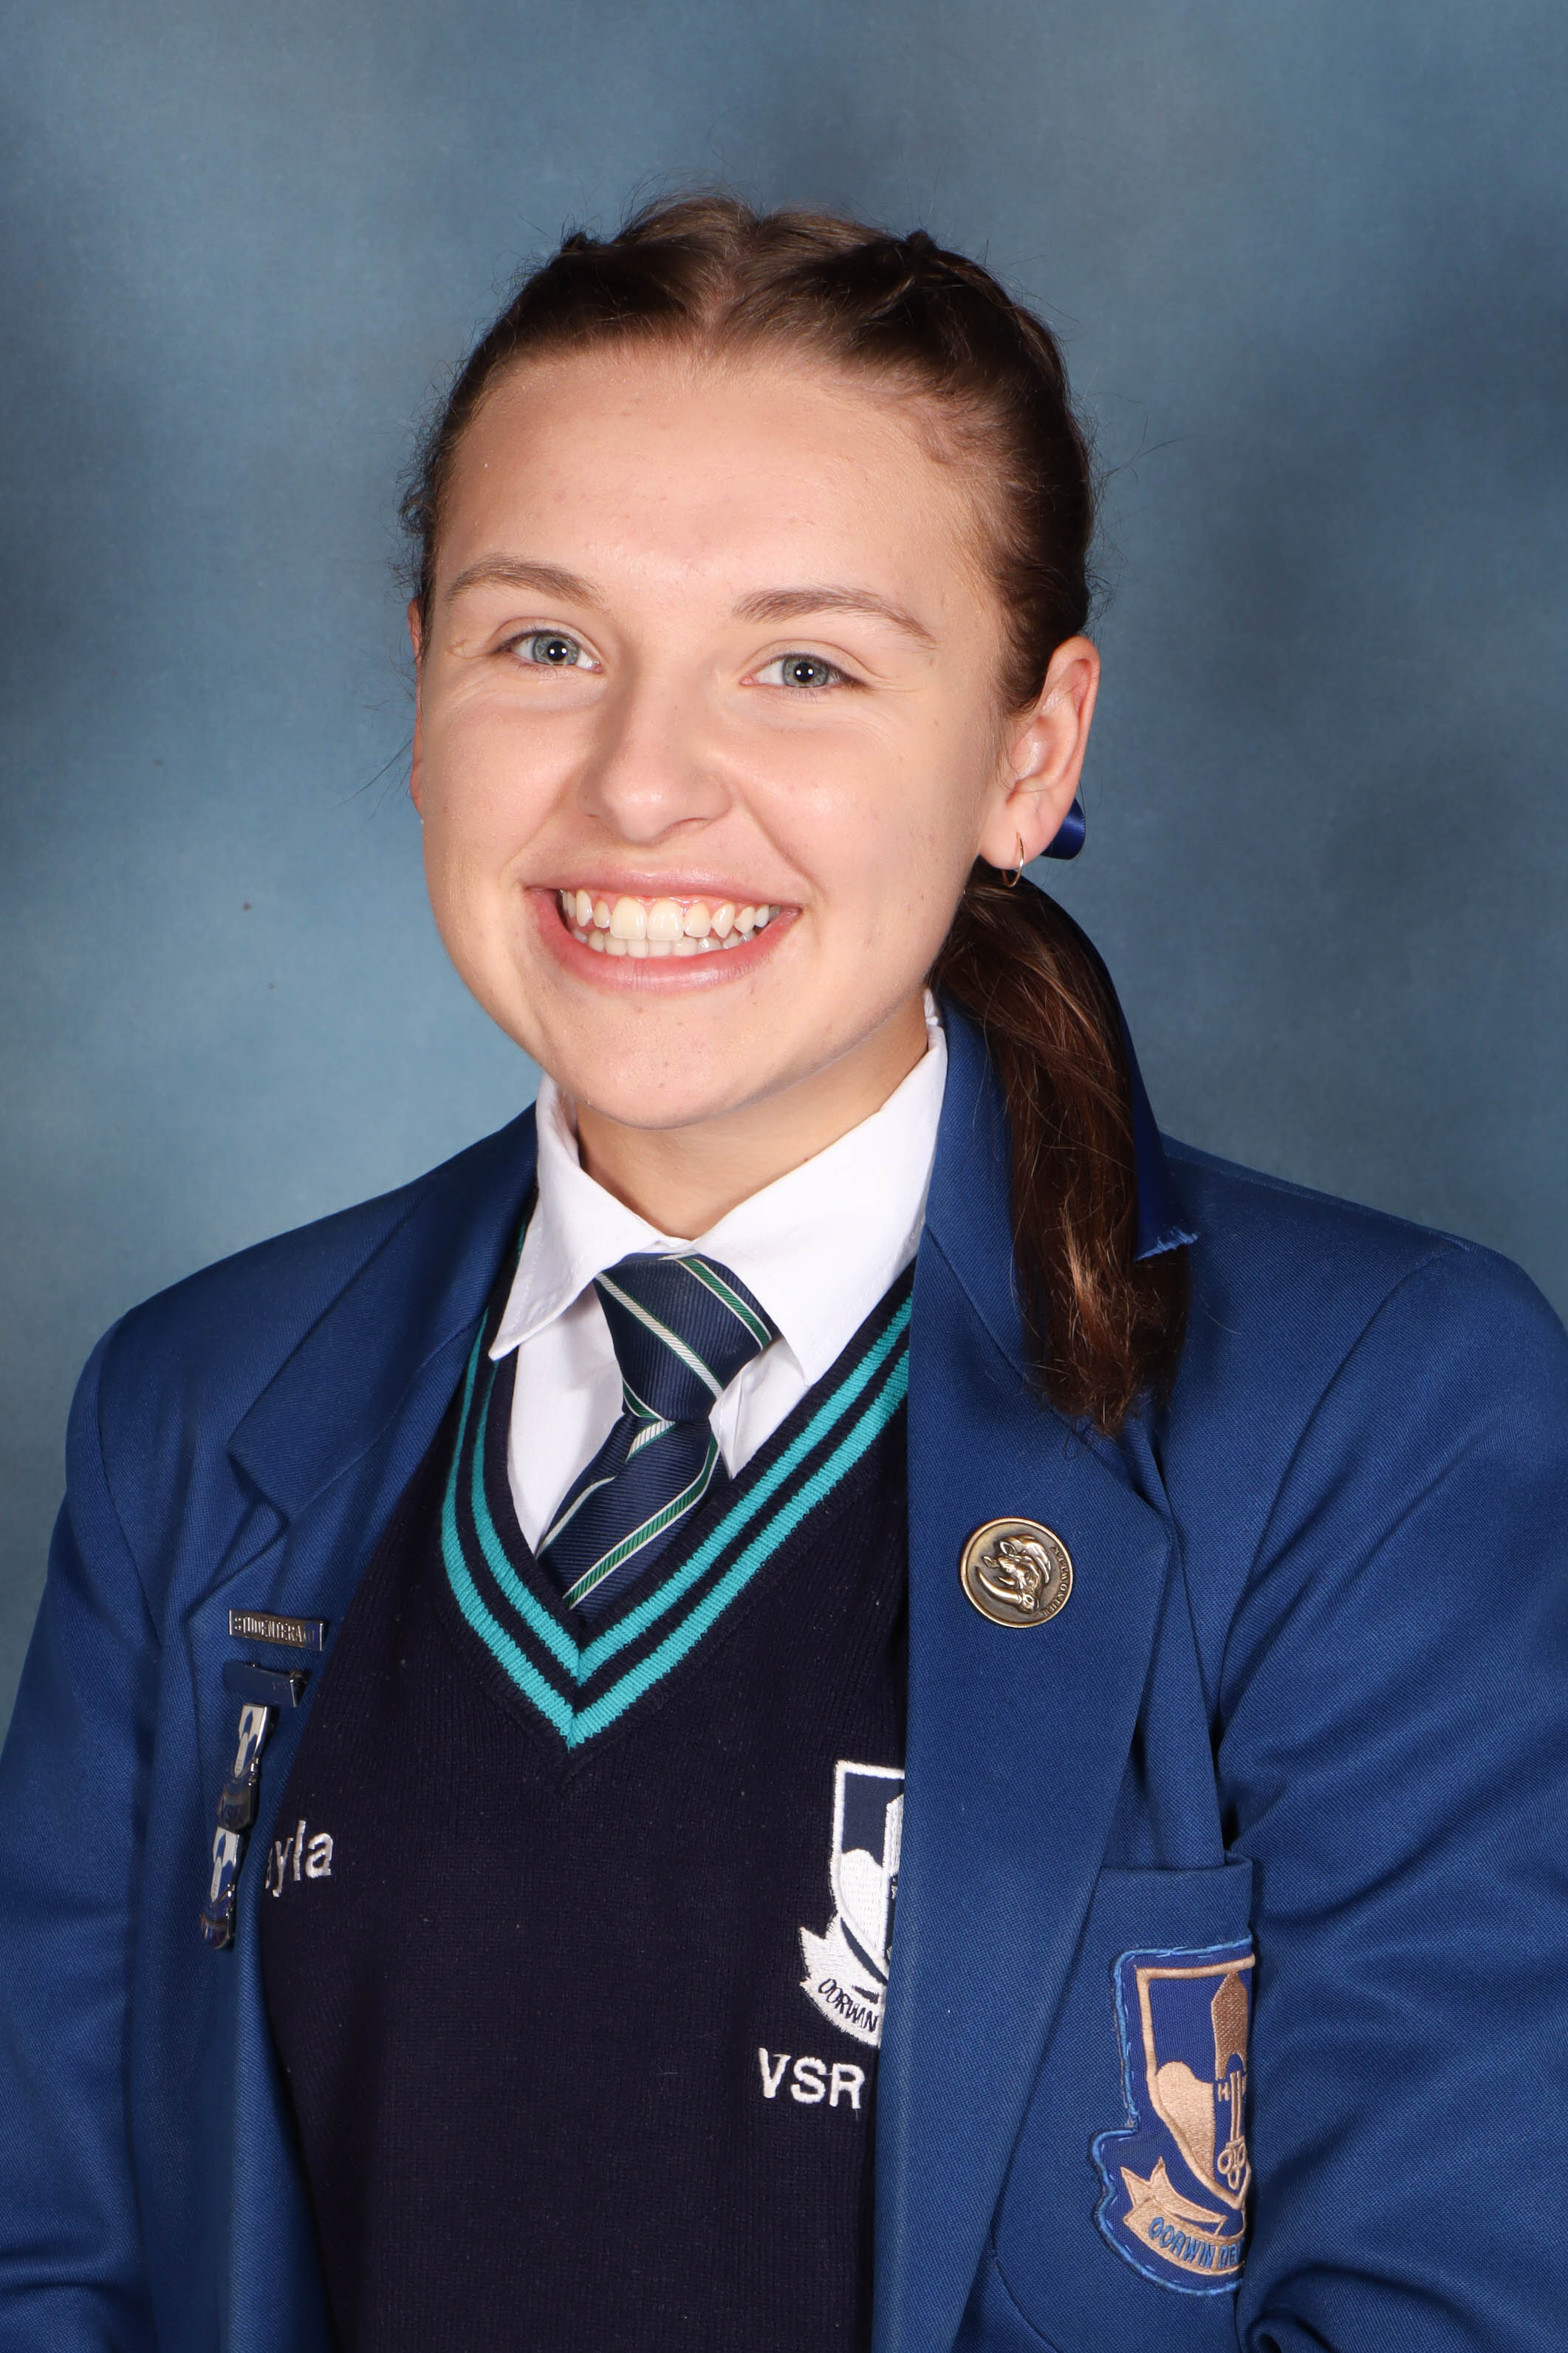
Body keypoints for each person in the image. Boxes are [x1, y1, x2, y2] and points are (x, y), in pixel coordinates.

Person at [1, 195, 1566, 2353]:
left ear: (1028, 752)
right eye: (544, 645)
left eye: (803, 668)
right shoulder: (196, 1408)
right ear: (423, 682)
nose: (642, 785)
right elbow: (54, 2263)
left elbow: (1443, 2307)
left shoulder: (1371, 1417)